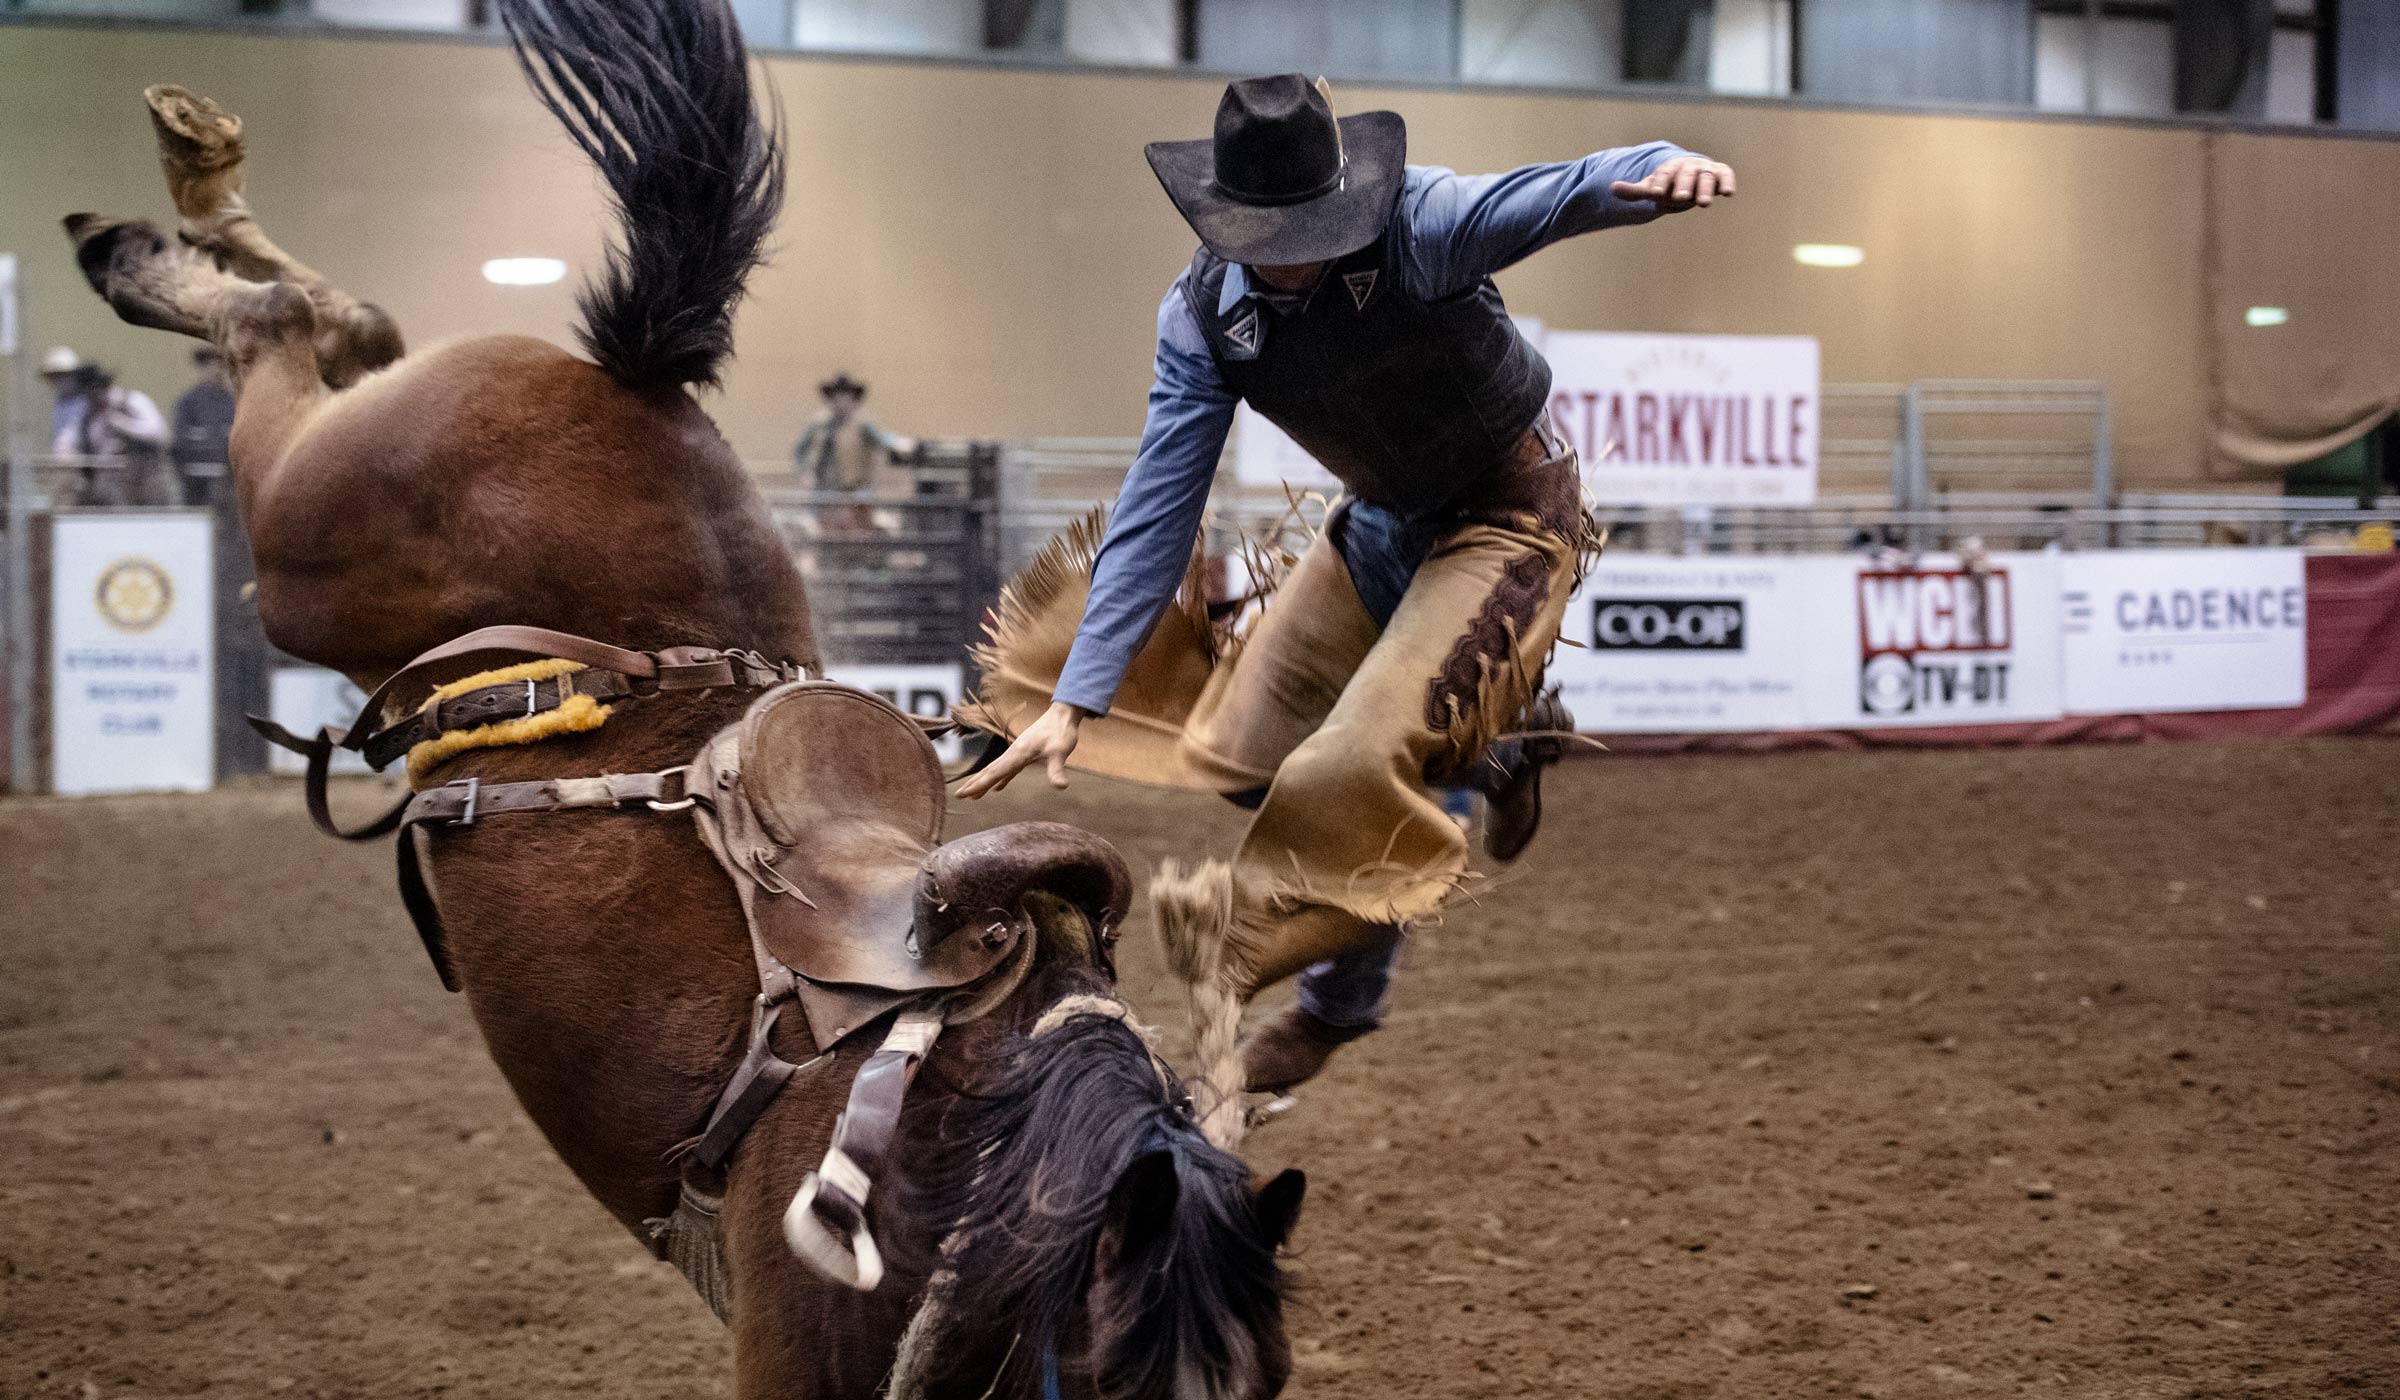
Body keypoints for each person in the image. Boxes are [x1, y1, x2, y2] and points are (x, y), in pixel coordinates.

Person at [958, 74, 1734, 1093]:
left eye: (1310, 228)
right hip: (1377, 525)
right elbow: (1161, 495)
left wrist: (1651, 170)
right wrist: (1077, 694)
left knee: (1351, 769)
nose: (1287, 258)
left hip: (1508, 517)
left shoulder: (1424, 223)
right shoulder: (1203, 318)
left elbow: (1553, 193)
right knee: (1234, 757)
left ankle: (1332, 1012)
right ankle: (1493, 748)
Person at [792, 373, 918, 529]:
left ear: (853, 401)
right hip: (826, 491)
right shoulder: (819, 425)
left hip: (856, 492)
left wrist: (899, 444)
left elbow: (883, 439)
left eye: (846, 398)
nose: (841, 403)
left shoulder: (863, 425)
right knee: (819, 529)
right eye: (837, 398)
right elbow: (800, 450)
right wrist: (805, 473)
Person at [51, 361, 169, 507]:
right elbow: (67, 440)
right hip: (109, 498)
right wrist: (65, 453)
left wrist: (123, 424)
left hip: (145, 491)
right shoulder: (87, 416)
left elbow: (158, 432)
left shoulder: (133, 401)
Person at [170, 345, 238, 508]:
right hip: (195, 481)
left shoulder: (233, 401)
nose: (215, 371)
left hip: (227, 479)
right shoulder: (188, 402)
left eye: (220, 366)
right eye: (210, 366)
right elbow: (179, 442)